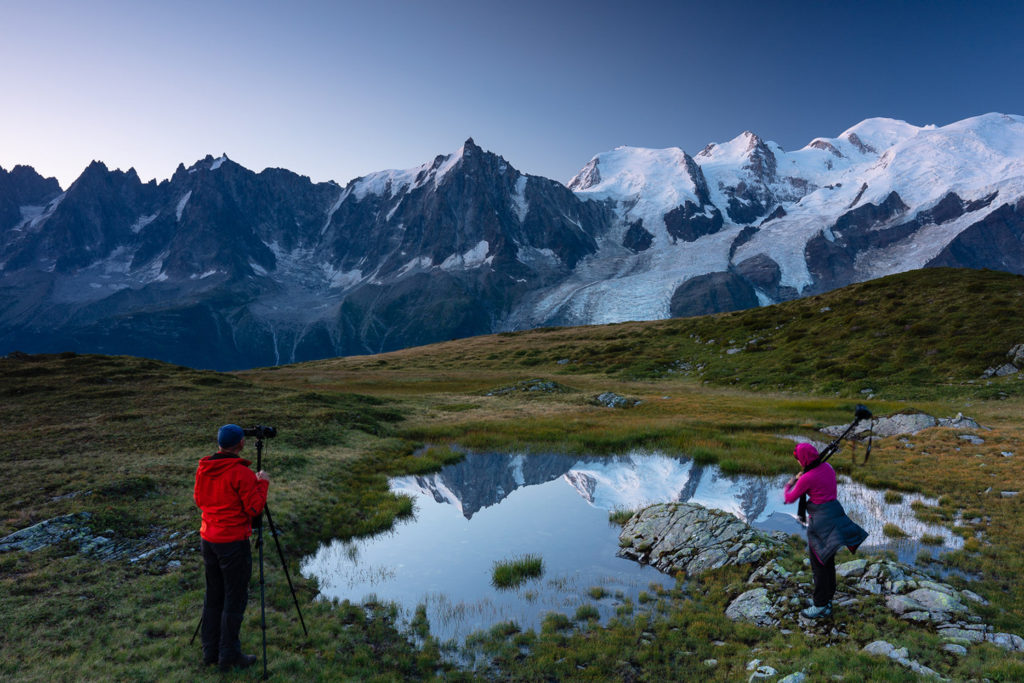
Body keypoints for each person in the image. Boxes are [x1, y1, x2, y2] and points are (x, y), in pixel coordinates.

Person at [194, 424, 270, 670]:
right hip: (233, 543)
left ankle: (210, 652)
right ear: (241, 444)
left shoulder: (204, 468)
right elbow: (254, 509)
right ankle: (229, 656)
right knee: (234, 599)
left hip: (208, 540)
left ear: (219, 444)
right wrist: (263, 484)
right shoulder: (241, 474)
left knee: (213, 596)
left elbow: (199, 500)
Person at [783, 442, 868, 619]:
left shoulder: (807, 478)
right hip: (834, 515)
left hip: (820, 523)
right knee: (827, 560)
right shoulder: (827, 467)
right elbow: (819, 482)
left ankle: (820, 605)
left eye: (798, 459)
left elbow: (790, 498)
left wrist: (790, 483)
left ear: (804, 459)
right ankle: (827, 600)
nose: (798, 462)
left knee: (819, 563)